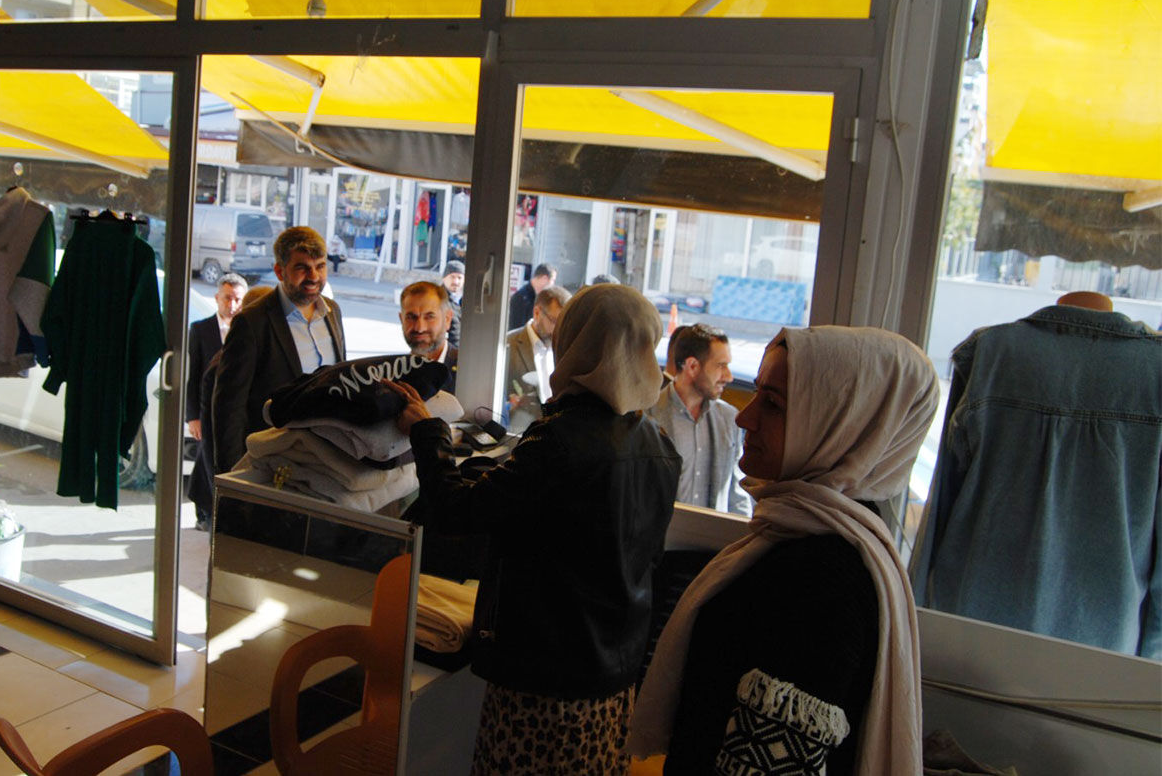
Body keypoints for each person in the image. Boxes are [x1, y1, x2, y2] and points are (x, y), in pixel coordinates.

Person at [388, 283, 679, 776]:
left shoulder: (560, 438)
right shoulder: (658, 443)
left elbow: (456, 512)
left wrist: (426, 430)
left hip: (546, 684)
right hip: (613, 678)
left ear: (576, 345)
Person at [629, 326, 939, 776]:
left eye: (772, 404)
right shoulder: (806, 536)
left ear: (842, 428)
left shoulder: (821, 579)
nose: (745, 418)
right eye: (758, 394)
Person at [909, 293, 1162, 657]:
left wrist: (914, 623)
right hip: (1103, 646)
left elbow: (941, 507)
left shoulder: (992, 354)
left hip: (972, 629)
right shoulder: (1154, 373)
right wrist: (1149, 666)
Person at [211, 227, 346, 474]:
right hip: (271, 463)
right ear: (279, 271)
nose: (314, 276)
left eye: (320, 266)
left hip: (325, 462)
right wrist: (231, 476)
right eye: (302, 268)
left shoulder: (333, 312)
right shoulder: (251, 322)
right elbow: (228, 408)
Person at [648, 324, 749, 514]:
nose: (729, 376)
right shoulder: (648, 415)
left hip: (713, 533)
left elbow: (737, 496)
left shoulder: (729, 419)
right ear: (693, 366)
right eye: (721, 365)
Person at [185, 272, 247, 528]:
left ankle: (218, 513)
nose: (232, 304)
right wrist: (193, 416)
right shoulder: (201, 330)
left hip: (234, 410)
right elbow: (193, 375)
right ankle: (203, 512)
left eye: (237, 299)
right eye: (227, 298)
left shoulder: (248, 329)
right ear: (217, 298)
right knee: (205, 461)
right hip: (207, 409)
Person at [503, 284, 571, 433]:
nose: (559, 330)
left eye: (564, 324)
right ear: (537, 312)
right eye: (554, 321)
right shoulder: (507, 344)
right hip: (518, 434)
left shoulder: (565, 349)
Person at [398, 280, 459, 392]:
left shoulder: (468, 372)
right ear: (401, 320)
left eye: (429, 317)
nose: (420, 328)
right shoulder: (391, 374)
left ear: (447, 320)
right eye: (411, 317)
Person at [508, 262, 556, 329]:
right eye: (553, 280)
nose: (553, 284)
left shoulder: (535, 297)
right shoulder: (521, 298)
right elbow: (517, 329)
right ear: (544, 278)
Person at [441, 259, 464, 348]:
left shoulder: (469, 299)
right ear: (444, 278)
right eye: (452, 277)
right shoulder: (438, 300)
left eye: (459, 278)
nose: (456, 282)